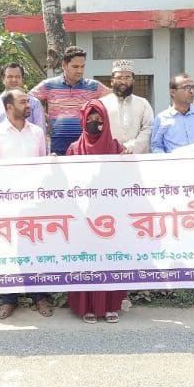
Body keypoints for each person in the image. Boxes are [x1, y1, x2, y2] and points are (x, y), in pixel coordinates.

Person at [0, 88, 51, 318]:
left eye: (28, 101)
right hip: (5, 204)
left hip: (33, 203)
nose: (28, 104)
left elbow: (43, 167)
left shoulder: (38, 133)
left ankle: (39, 297)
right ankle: (9, 299)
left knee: (34, 248)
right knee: (7, 250)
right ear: (9, 107)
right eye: (23, 101)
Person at [66, 100, 126, 323]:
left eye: (99, 120)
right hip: (84, 216)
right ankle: (87, 306)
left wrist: (128, 161)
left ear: (106, 122)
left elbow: (126, 180)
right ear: (83, 122)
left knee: (109, 259)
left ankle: (110, 305)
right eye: (89, 120)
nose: (94, 124)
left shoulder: (116, 148)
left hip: (111, 217)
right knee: (86, 259)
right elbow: (68, 184)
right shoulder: (74, 149)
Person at [29, 46, 110, 155]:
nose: (80, 71)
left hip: (84, 146)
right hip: (57, 145)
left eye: (82, 66)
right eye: (75, 66)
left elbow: (114, 99)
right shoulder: (48, 85)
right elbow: (28, 100)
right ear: (64, 65)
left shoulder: (94, 86)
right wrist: (43, 117)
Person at [151, 74, 194, 153]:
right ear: (173, 92)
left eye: (193, 88)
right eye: (187, 88)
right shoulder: (161, 118)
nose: (191, 91)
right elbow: (156, 146)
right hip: (174, 163)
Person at [99, 59, 153, 154]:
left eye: (127, 77)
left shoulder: (143, 103)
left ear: (133, 81)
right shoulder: (102, 103)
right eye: (119, 77)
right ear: (112, 81)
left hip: (136, 156)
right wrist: (115, 148)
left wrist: (132, 147)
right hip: (109, 156)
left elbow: (148, 128)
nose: (123, 81)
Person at [0, 63, 46, 133]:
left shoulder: (34, 103)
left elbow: (41, 133)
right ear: (3, 79)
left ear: (22, 79)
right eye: (10, 77)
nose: (14, 80)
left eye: (17, 77)